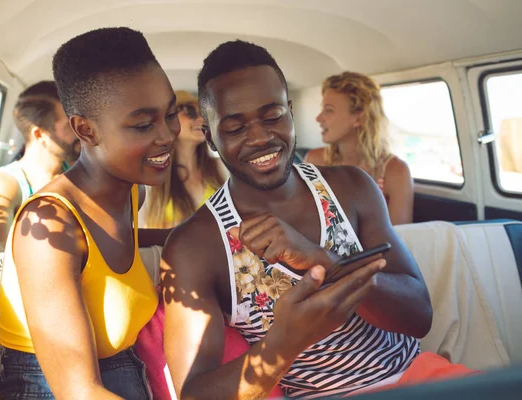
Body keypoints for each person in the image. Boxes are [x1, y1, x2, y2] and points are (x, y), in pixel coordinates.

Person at [162, 40, 473, 399]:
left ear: (290, 113)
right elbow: (194, 393)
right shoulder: (196, 245)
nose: (261, 138)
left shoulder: (352, 187)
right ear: (210, 138)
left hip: (419, 377)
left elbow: (419, 317)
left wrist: (328, 262)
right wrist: (283, 343)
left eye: (272, 116)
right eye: (235, 128)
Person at [0, 27, 180, 399]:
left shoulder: (132, 190)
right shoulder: (49, 226)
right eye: (144, 125)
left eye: (171, 114)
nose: (166, 135)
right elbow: (78, 391)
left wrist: (200, 235)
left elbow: (106, 248)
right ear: (85, 130)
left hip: (126, 367)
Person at [0, 81, 81, 257]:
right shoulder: (4, 184)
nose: (79, 131)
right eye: (69, 125)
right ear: (40, 135)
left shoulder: (73, 167)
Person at [305, 72, 413, 225]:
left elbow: (401, 239)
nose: (318, 118)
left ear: (358, 118)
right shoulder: (315, 161)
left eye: (328, 110)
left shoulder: (395, 172)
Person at [142, 90, 226, 228]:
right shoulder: (151, 177)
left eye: (203, 114)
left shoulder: (220, 167)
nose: (201, 120)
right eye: (190, 112)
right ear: (169, 120)